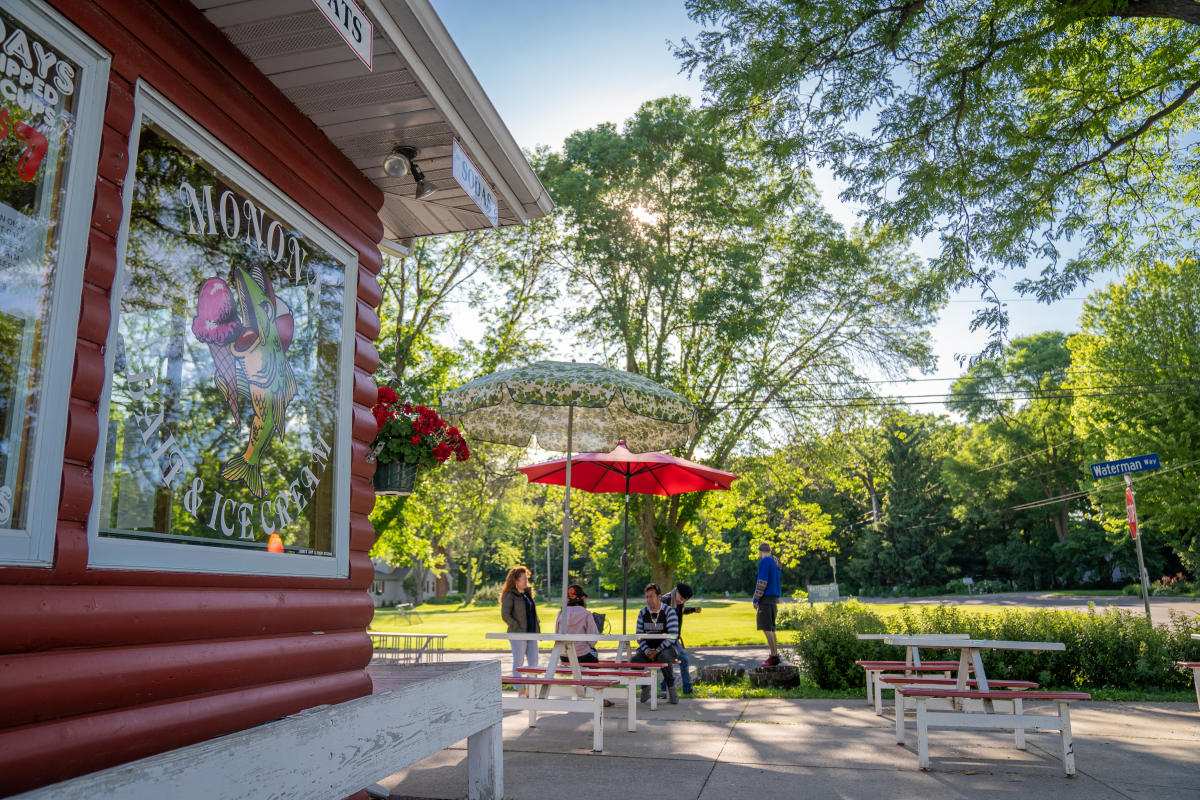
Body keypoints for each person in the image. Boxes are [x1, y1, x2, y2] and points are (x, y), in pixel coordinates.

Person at [632, 583, 679, 704]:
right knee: (635, 660)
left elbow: (673, 636)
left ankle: (671, 688)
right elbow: (639, 636)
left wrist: (658, 650)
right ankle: (645, 687)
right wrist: (647, 650)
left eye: (651, 596)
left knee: (664, 657)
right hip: (648, 648)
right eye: (646, 597)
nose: (648, 600)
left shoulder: (669, 612)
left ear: (659, 597)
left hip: (667, 647)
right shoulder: (642, 613)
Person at [500, 566, 540, 679]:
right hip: (517, 634)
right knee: (519, 663)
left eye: (527, 578)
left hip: (531, 634)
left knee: (534, 663)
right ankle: (520, 690)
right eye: (523, 579)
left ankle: (530, 690)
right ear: (515, 580)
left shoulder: (527, 594)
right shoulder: (510, 595)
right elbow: (505, 615)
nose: (526, 581)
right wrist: (517, 628)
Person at [659, 583, 700, 695]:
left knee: (670, 662)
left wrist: (692, 610)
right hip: (665, 637)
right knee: (683, 659)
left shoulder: (677, 602)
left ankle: (664, 686)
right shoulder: (664, 601)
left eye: (684, 601)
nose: (681, 602)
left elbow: (681, 610)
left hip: (674, 637)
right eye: (681, 599)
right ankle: (687, 688)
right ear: (676, 591)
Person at [752, 543, 783, 666]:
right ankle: (775, 655)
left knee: (766, 627)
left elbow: (762, 582)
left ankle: (773, 655)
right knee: (771, 628)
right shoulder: (776, 563)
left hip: (766, 598)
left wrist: (755, 599)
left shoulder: (765, 561)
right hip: (774, 598)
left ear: (761, 552)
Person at [556, 584, 601, 664]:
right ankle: (592, 675)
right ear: (581, 599)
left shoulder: (561, 613)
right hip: (582, 655)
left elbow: (557, 635)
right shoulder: (586, 614)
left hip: (564, 655)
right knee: (594, 653)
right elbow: (593, 638)